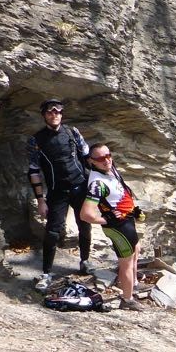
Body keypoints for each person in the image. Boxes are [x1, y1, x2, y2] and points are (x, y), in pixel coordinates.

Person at [27, 98, 93, 291]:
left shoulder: (72, 132)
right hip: (57, 191)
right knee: (53, 232)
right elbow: (33, 171)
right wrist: (40, 200)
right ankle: (46, 273)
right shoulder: (36, 140)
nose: (54, 114)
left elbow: (88, 157)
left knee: (85, 225)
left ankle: (85, 261)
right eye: (49, 112)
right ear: (44, 115)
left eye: (57, 111)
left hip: (80, 187)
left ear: (62, 114)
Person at [80, 143, 143, 311]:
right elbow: (85, 214)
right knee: (126, 263)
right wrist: (107, 220)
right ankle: (127, 299)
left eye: (108, 155)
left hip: (126, 220)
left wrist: (132, 210)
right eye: (100, 158)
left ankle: (133, 285)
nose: (106, 160)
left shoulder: (109, 168)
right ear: (92, 161)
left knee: (136, 249)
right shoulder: (96, 184)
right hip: (118, 227)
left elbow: (120, 191)